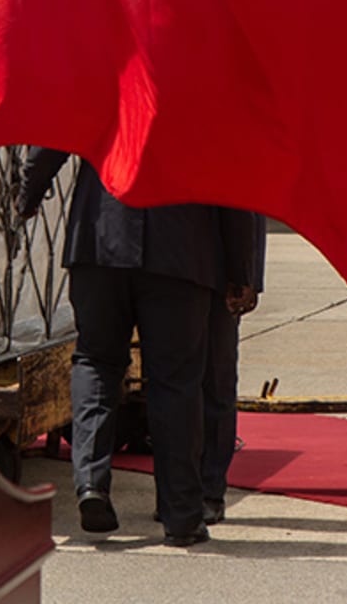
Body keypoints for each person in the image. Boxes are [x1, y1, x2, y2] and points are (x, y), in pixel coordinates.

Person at [18, 148, 260, 547]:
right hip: (181, 248)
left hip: (100, 236)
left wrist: (28, 195)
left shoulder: (98, 80)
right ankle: (181, 515)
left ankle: (91, 483)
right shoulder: (207, 85)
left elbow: (54, 134)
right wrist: (239, 266)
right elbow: (230, 166)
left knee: (96, 361)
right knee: (176, 382)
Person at [201, 212, 266, 525]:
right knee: (188, 383)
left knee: (213, 382)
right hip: (177, 266)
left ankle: (206, 490)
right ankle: (184, 492)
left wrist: (246, 276)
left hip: (217, 266)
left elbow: (249, 204)